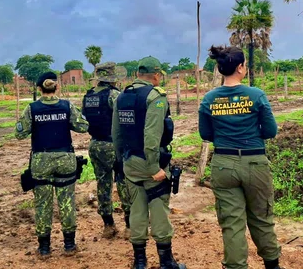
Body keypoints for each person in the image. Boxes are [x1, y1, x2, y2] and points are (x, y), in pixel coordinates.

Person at [198, 45, 282, 269]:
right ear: (240, 67)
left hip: (223, 165)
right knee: (262, 218)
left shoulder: (209, 99)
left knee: (232, 223)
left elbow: (205, 134)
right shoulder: (256, 95)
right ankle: (272, 265)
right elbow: (271, 131)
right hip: (255, 162)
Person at [112, 56, 186, 269]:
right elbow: (152, 137)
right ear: (155, 75)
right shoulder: (155, 96)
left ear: (137, 74)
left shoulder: (122, 97)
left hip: (130, 162)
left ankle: (140, 262)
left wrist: (120, 161)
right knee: (159, 209)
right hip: (150, 163)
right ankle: (166, 262)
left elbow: (116, 134)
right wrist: (155, 168)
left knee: (137, 210)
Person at [15, 72, 89, 256]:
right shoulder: (66, 106)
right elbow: (83, 126)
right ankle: (69, 245)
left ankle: (44, 248)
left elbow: (19, 133)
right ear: (57, 87)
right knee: (67, 202)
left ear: (39, 88)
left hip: (41, 161)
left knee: (42, 204)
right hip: (65, 159)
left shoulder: (32, 108)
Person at [82, 62, 131, 239]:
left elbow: (85, 119)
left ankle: (108, 225)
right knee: (123, 182)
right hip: (113, 145)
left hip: (95, 145)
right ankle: (129, 225)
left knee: (103, 184)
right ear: (113, 79)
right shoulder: (115, 96)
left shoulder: (88, 96)